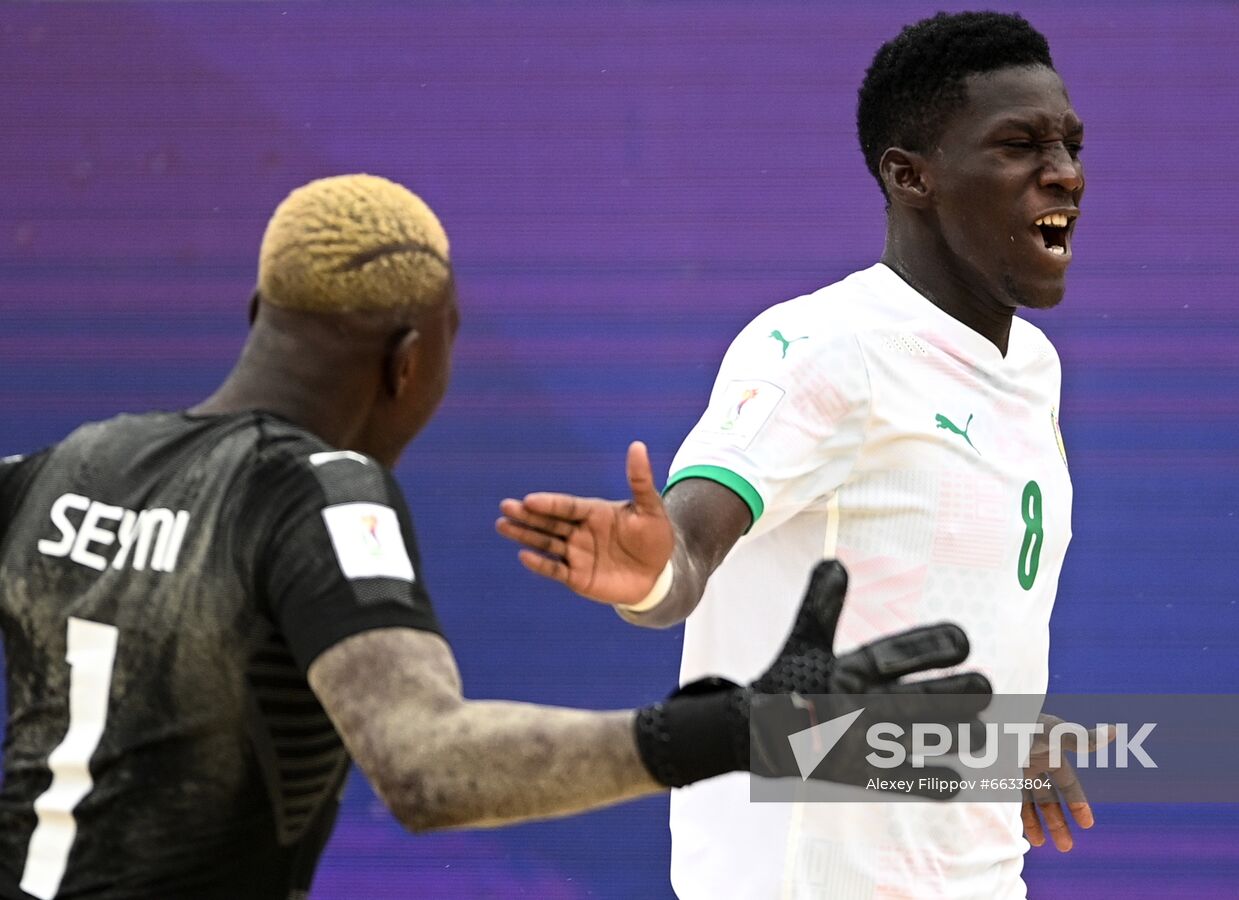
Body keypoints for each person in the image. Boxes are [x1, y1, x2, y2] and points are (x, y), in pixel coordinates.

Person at [0, 174, 986, 900]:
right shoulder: (320, 493)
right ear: (410, 361)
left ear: (258, 311)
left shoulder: (65, 466)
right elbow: (425, 766)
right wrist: (732, 728)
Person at [496, 11, 1090, 899]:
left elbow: (943, 610)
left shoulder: (1032, 368)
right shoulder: (825, 346)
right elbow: (689, 554)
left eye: (1070, 143)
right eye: (1019, 145)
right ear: (910, 176)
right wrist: (654, 575)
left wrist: (1003, 732)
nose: (1066, 174)